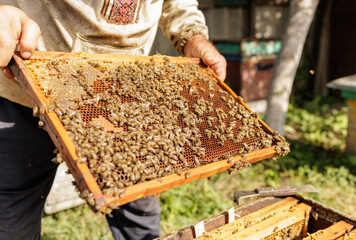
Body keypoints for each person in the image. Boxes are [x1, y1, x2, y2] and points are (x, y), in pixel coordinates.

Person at [0, 1, 226, 239]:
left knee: (138, 207)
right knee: (11, 217)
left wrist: (192, 37)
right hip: (27, 90)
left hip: (123, 101)